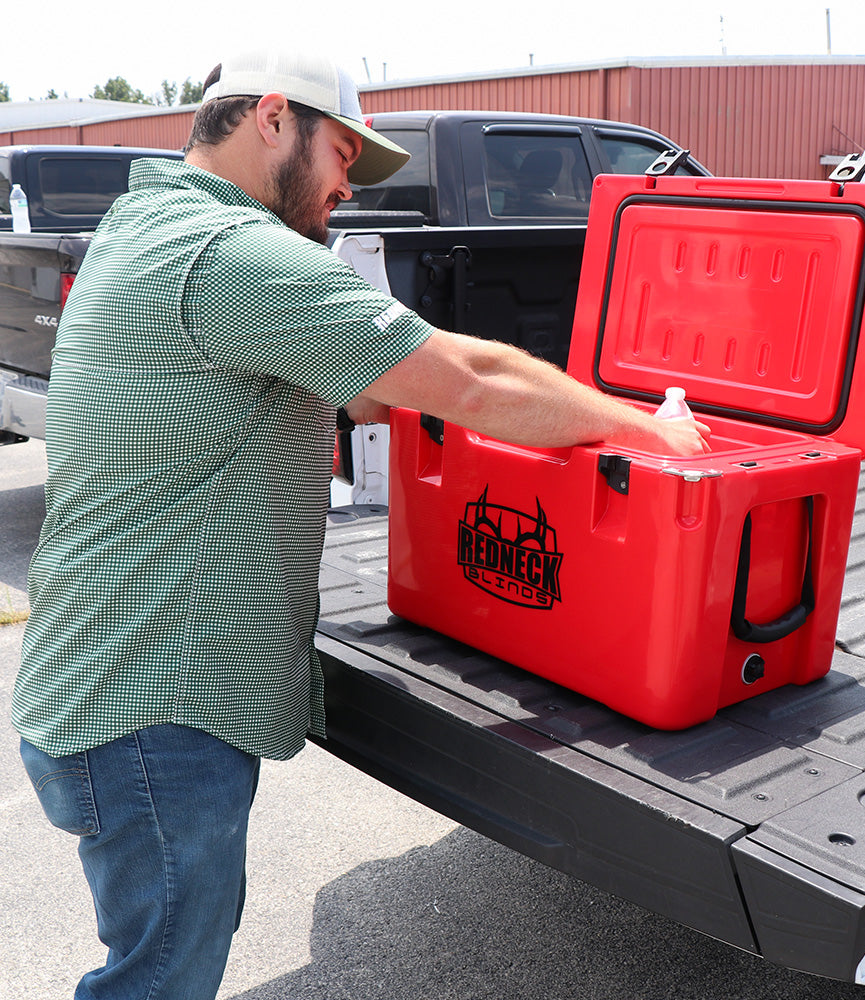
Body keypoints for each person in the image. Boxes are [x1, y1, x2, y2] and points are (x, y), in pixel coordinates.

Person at [12, 49, 711, 1000]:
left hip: (109, 683)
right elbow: (469, 382)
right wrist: (649, 428)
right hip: (153, 715)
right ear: (269, 118)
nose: (347, 183)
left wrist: (360, 384)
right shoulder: (235, 257)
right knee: (158, 978)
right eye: (340, 151)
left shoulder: (149, 223)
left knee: (163, 953)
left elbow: (259, 383)